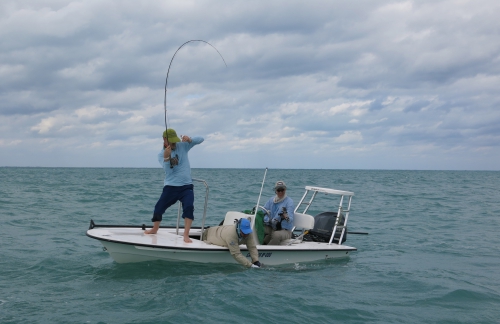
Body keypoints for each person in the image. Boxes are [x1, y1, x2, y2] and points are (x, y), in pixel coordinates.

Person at [144, 128, 204, 243]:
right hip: (171, 186)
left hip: (186, 186)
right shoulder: (161, 154)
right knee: (158, 207)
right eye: (171, 141)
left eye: (175, 140)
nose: (174, 143)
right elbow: (169, 172)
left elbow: (201, 139)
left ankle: (186, 235)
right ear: (164, 140)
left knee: (189, 207)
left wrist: (190, 139)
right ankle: (155, 229)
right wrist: (167, 158)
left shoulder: (183, 146)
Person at [262, 180, 295, 245]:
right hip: (272, 226)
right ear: (275, 191)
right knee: (259, 228)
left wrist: (286, 216)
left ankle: (267, 251)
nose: (280, 192)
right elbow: (263, 212)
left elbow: (290, 220)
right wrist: (269, 220)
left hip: (285, 230)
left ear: (285, 190)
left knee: (276, 235)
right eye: (278, 190)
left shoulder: (289, 202)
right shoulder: (271, 200)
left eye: (282, 190)